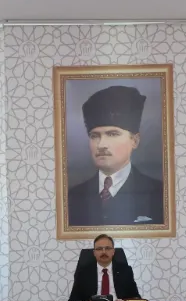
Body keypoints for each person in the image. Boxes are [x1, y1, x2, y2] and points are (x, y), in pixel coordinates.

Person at [67, 85, 165, 227]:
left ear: (135, 141)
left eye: (112, 134)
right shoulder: (72, 197)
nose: (101, 144)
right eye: (94, 136)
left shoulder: (160, 194)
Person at [67, 234, 142, 301]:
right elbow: (73, 300)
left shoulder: (125, 271)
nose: (104, 252)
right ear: (94, 253)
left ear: (113, 251)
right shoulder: (83, 272)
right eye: (99, 249)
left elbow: (136, 298)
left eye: (108, 248)